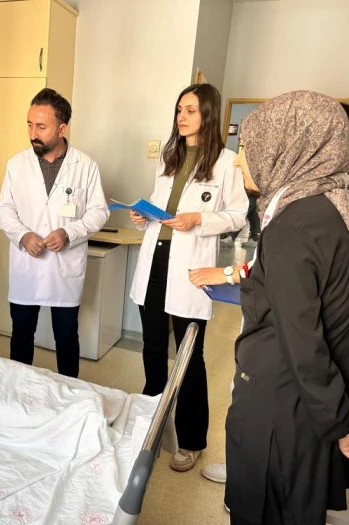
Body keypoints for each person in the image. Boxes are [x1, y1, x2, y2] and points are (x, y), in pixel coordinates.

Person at [190, 91, 349, 525]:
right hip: (318, 408)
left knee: (262, 511)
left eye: (247, 148)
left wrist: (345, 424)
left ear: (286, 146)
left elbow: (300, 344)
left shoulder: (294, 225)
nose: (239, 162)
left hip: (280, 410)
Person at [128, 83, 249, 472]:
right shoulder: (171, 156)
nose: (182, 116)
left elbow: (238, 215)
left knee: (189, 355)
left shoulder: (227, 163)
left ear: (207, 114)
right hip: (156, 258)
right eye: (179, 109)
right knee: (151, 346)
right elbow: (161, 204)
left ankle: (193, 439)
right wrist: (144, 214)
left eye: (191, 110)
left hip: (189, 266)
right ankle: (151, 422)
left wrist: (200, 219)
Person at [0, 88, 109, 378]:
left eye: (41, 127)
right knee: (22, 333)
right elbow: (3, 209)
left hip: (64, 266)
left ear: (62, 128)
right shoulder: (17, 164)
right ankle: (18, 389)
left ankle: (69, 392)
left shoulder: (85, 166)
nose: (33, 133)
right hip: (27, 265)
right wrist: (23, 236)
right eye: (30, 125)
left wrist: (69, 232)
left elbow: (99, 212)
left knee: (67, 337)